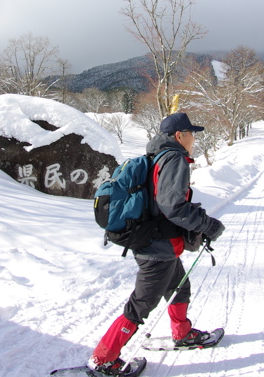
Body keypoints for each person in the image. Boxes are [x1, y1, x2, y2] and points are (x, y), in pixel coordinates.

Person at [87, 112, 226, 376]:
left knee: (180, 288)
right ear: (179, 136)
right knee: (139, 306)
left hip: (161, 244)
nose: (193, 139)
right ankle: (103, 359)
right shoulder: (174, 159)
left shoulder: (157, 157)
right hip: (156, 249)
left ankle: (182, 334)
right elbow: (172, 205)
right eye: (191, 133)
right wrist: (207, 225)